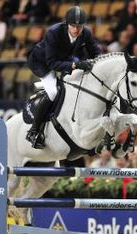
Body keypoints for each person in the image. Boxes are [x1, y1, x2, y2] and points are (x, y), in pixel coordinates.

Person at [26, 6, 101, 149]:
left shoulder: (85, 33)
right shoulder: (53, 32)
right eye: (73, 26)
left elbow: (95, 52)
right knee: (53, 92)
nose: (77, 30)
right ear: (67, 24)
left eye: (80, 26)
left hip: (63, 60)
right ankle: (34, 131)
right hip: (42, 63)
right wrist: (76, 65)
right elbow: (52, 63)